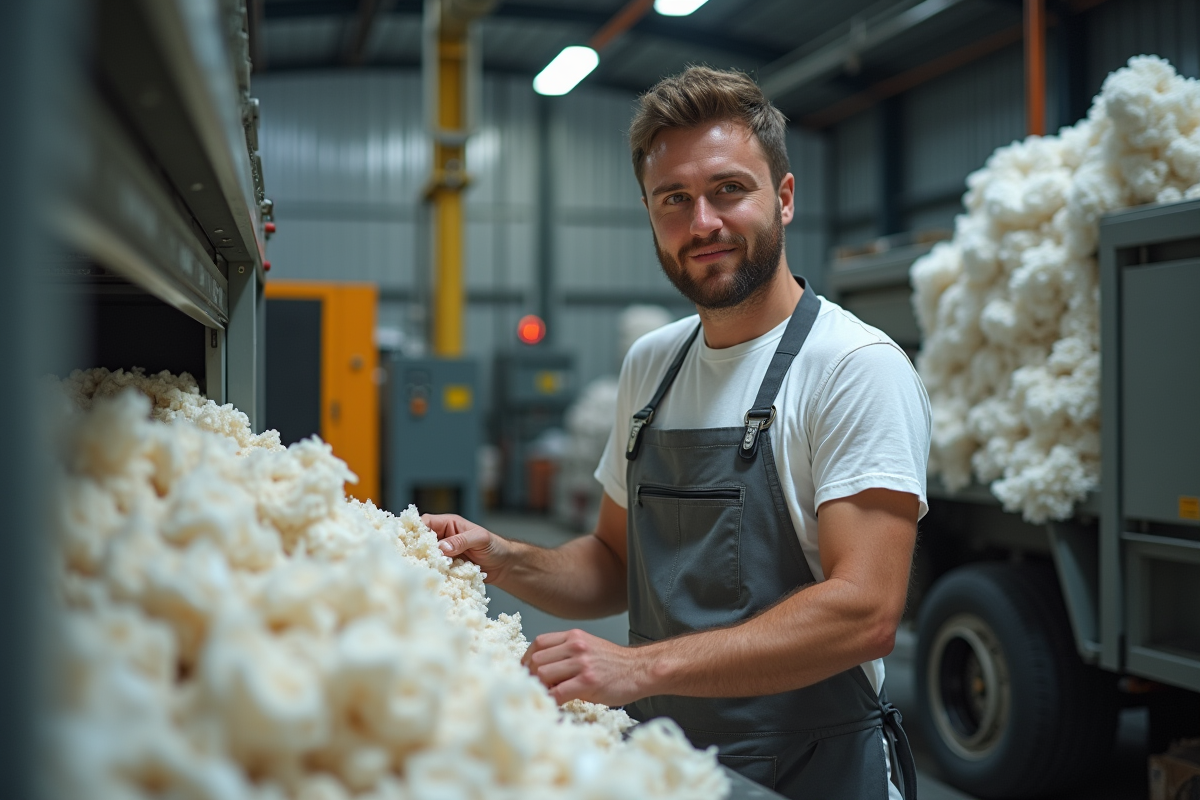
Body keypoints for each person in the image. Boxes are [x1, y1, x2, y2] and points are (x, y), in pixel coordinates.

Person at [424, 66, 931, 800]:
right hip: (664, 770)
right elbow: (610, 561)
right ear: (650, 212)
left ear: (784, 199)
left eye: (729, 189)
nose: (703, 224)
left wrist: (638, 669)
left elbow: (865, 613)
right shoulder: (653, 365)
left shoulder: (854, 368)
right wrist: (502, 557)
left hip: (808, 773)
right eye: (675, 199)